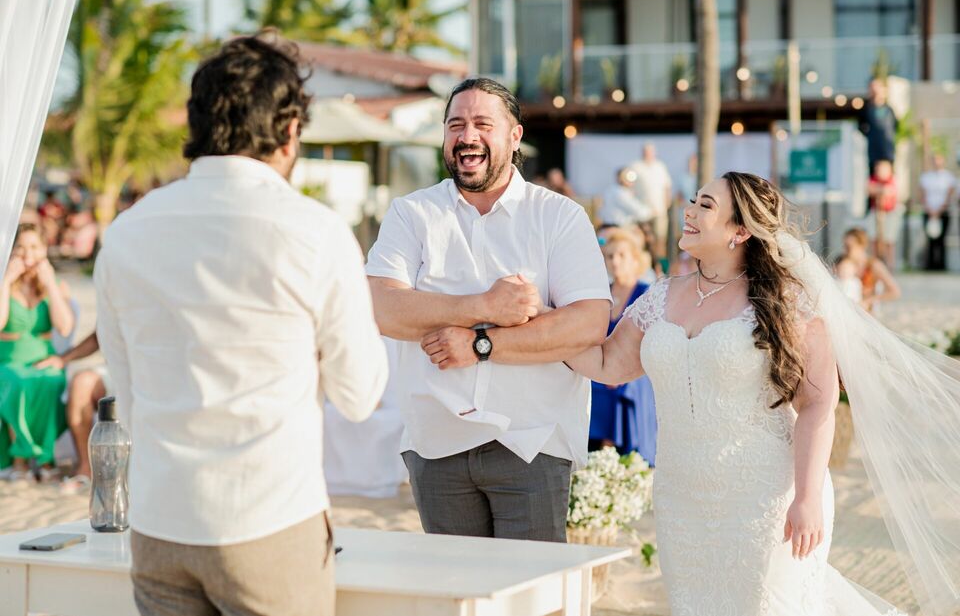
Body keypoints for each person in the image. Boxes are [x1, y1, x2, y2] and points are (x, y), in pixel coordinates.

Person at [94, 34, 388, 616]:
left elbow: (127, 390)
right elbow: (360, 396)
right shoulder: (314, 231)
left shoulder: (126, 233)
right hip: (268, 520)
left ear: (198, 124)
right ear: (289, 131)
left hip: (159, 522)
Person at [566, 172, 927, 616]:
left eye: (706, 206)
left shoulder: (786, 301)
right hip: (681, 501)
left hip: (766, 496)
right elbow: (606, 364)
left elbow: (817, 404)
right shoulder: (660, 296)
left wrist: (807, 497)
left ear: (739, 230)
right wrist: (533, 326)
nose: (689, 212)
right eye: (694, 201)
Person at [366, 77, 611, 543]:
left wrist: (480, 344)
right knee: (453, 585)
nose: (467, 136)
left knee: (531, 586)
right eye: (455, 125)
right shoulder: (411, 213)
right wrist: (485, 306)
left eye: (483, 124)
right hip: (435, 442)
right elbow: (380, 307)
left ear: (514, 136)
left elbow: (587, 323)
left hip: (531, 441)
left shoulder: (559, 216)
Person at [0, 223, 74, 482]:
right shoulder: (4, 281)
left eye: (34, 247)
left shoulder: (56, 285)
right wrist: (7, 280)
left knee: (51, 380)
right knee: (19, 382)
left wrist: (50, 284)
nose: (27, 254)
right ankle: (20, 459)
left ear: (44, 250)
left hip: (44, 358)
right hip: (8, 360)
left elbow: (65, 327)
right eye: (21, 247)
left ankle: (45, 459)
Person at [589, 228, 657, 464]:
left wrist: (619, 372)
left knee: (620, 390)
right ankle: (595, 459)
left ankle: (619, 459)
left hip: (634, 374)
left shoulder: (646, 293)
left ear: (635, 259)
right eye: (610, 256)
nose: (615, 262)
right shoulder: (601, 293)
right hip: (600, 369)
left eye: (621, 255)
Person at [31, 330, 106, 493]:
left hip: (154, 375)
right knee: (81, 382)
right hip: (117, 372)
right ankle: (86, 468)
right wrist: (62, 359)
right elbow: (99, 335)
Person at [835, 228, 900, 312]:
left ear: (862, 246)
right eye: (844, 246)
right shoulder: (844, 264)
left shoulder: (874, 265)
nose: (845, 251)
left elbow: (895, 292)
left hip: (867, 312)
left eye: (849, 247)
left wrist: (868, 301)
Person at [630, 142, 672, 258]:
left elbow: (667, 186)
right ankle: (644, 262)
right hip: (642, 212)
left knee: (660, 238)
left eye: (650, 151)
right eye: (646, 151)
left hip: (659, 210)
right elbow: (630, 187)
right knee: (642, 238)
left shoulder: (660, 166)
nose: (648, 154)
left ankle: (660, 263)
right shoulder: (635, 166)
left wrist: (667, 203)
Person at [919, 153, 956, 271]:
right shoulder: (926, 177)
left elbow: (949, 195)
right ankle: (930, 265)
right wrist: (930, 210)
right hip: (929, 212)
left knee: (941, 239)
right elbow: (923, 194)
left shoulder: (949, 177)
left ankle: (941, 265)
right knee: (930, 239)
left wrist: (940, 210)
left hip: (943, 212)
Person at [858, 78, 899, 177]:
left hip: (888, 152)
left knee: (888, 178)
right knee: (874, 178)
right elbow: (861, 127)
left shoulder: (889, 109)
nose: (875, 90)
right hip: (873, 153)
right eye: (872, 87)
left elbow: (895, 126)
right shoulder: (866, 109)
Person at [866, 159, 900, 267]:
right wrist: (881, 190)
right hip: (875, 212)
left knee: (889, 241)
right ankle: (874, 265)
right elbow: (870, 189)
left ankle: (890, 266)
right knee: (874, 240)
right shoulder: (873, 179)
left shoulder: (892, 179)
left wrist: (880, 190)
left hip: (889, 213)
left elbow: (891, 191)